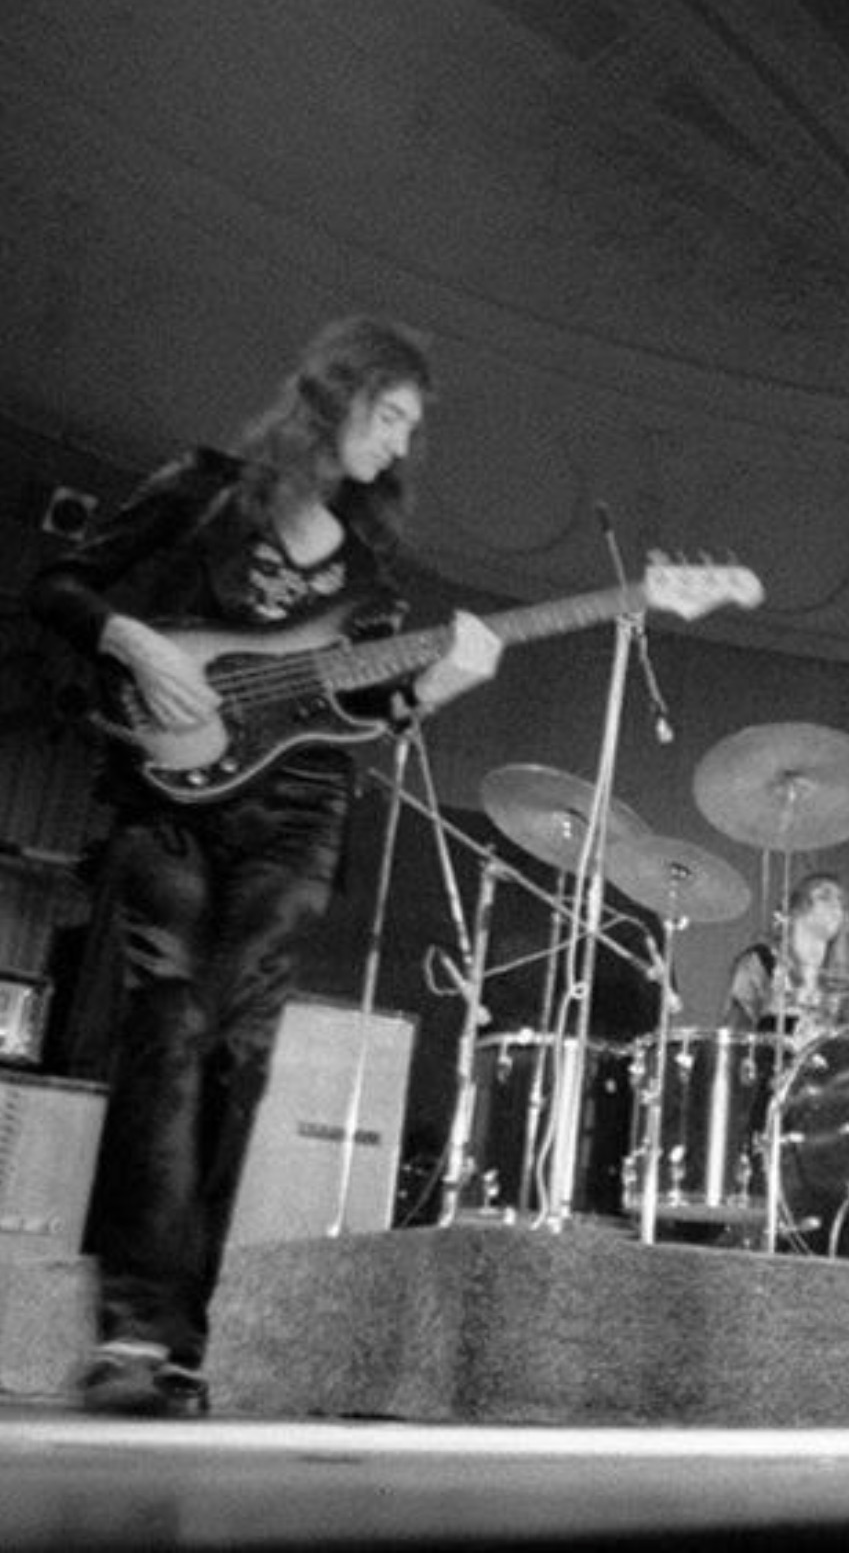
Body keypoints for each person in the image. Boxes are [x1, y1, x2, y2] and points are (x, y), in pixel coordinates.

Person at [29, 316, 503, 1416]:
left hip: (296, 815)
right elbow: (61, 583)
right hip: (171, 799)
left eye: (410, 428)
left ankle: (179, 1340)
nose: (398, 444)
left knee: (235, 1048)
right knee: (170, 1028)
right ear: (337, 398)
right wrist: (135, 641)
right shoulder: (203, 488)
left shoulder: (373, 566)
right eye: (390, 416)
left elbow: (369, 709)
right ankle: (136, 1335)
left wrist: (438, 684)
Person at [723, 872, 849, 1049]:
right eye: (825, 897)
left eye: (841, 900)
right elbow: (737, 1034)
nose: (837, 906)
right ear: (797, 907)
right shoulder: (761, 961)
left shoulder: (842, 978)